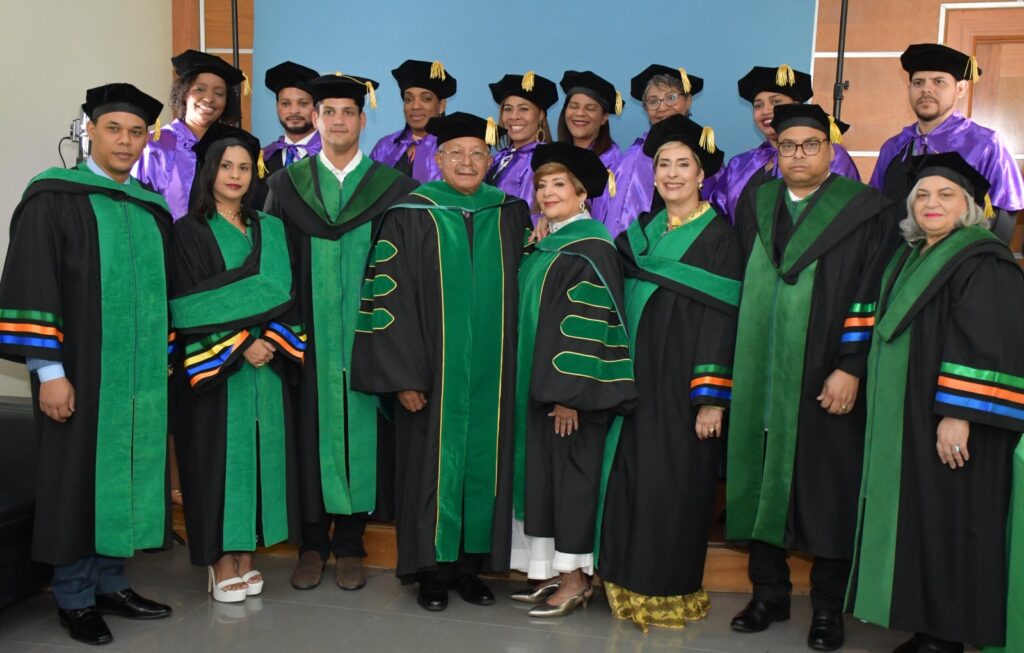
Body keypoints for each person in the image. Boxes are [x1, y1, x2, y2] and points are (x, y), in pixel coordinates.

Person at [0, 83, 173, 645]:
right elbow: (33, 284)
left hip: (137, 379)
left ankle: (111, 584)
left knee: (125, 471)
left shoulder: (150, 207)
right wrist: (49, 373)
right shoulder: (52, 197)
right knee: (74, 479)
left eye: (136, 132)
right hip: (76, 373)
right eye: (114, 129)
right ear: (89, 131)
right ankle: (74, 596)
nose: (125, 141)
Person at [725, 103, 898, 651]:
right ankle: (768, 594)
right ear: (775, 151)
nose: (798, 155)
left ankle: (827, 608)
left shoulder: (865, 210)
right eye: (787, 146)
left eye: (810, 145)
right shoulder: (756, 202)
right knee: (758, 476)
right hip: (762, 370)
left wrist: (851, 367)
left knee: (828, 488)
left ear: (830, 149)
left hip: (826, 372)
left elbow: (872, 294)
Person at [350, 112, 532, 612]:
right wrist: (405, 378)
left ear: (490, 160)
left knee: (483, 467)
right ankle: (429, 571)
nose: (467, 163)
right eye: (456, 154)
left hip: (494, 377)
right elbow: (390, 300)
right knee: (430, 468)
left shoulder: (511, 213)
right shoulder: (410, 213)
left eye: (477, 154)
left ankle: (471, 568)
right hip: (430, 377)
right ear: (438, 158)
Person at [848, 152, 1024, 653]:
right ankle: (928, 625)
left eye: (946, 195)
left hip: (954, 422)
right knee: (924, 520)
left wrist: (958, 416)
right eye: (922, 195)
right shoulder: (910, 255)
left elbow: (988, 342)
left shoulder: (984, 261)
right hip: (913, 416)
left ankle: (948, 635)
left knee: (953, 522)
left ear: (969, 206)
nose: (932, 203)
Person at [264, 73, 418, 592]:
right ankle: (312, 544)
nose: (337, 121)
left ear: (362, 120)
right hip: (304, 338)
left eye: (347, 112)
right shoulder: (285, 186)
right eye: (327, 112)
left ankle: (351, 544)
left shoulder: (394, 188)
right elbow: (271, 264)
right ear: (315, 119)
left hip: (368, 337)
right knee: (309, 431)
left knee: (362, 431)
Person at [598, 115, 742, 633]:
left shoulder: (720, 238)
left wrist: (710, 399)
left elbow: (723, 322)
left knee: (675, 485)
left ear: (701, 174)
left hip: (683, 386)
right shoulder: (639, 233)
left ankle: (666, 588)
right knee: (631, 479)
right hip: (635, 379)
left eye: (684, 164)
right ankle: (624, 580)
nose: (673, 174)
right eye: (664, 165)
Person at [170, 127, 303, 603]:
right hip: (216, 367)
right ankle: (219, 559)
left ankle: (246, 552)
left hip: (268, 365)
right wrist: (244, 342)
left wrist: (269, 341)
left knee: (260, 455)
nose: (235, 175)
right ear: (210, 171)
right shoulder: (188, 231)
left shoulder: (271, 229)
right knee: (214, 461)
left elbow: (288, 295)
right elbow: (185, 306)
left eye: (244, 167)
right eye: (226, 166)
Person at [509, 142, 636, 618]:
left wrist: (568, 396)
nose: (547, 192)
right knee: (546, 481)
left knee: (571, 482)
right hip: (539, 392)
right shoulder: (548, 244)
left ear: (582, 193)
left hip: (569, 397)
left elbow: (588, 325)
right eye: (541, 185)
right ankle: (552, 573)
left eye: (559, 184)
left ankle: (576, 580)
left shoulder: (592, 248)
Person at [870, 43, 1024, 243]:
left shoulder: (986, 145)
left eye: (939, 82)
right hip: (896, 258)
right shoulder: (893, 147)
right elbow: (876, 210)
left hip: (958, 257)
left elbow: (1002, 222)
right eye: (918, 83)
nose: (926, 89)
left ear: (961, 88)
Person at [704, 64, 861, 222]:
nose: (766, 111)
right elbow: (718, 216)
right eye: (758, 105)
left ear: (796, 106)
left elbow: (848, 211)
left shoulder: (829, 155)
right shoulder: (739, 165)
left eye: (776, 102)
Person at [133, 49, 245, 220]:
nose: (209, 98)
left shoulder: (233, 147)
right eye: (200, 89)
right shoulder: (157, 145)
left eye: (219, 93)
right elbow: (138, 206)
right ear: (185, 93)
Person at [606, 64, 703, 236]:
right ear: (645, 109)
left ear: (688, 101)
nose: (662, 107)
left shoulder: (704, 153)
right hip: (635, 246)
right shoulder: (633, 157)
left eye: (671, 98)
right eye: (653, 101)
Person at [369, 59, 456, 182]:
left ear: (441, 106)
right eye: (408, 99)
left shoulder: (454, 149)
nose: (415, 106)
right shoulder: (385, 146)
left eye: (426, 99)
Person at [556, 70, 623, 229]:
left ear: (604, 118)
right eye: (573, 106)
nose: (580, 113)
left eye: (591, 108)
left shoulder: (614, 165)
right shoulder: (554, 157)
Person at [486, 71, 559, 209]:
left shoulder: (544, 160)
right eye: (508, 109)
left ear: (541, 115)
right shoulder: (500, 158)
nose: (514, 116)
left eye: (524, 109)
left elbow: (532, 213)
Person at [261, 60, 321, 175]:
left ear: (317, 108)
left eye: (303, 103)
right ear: (277, 106)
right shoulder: (265, 157)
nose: (294, 111)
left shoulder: (332, 158)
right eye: (285, 103)